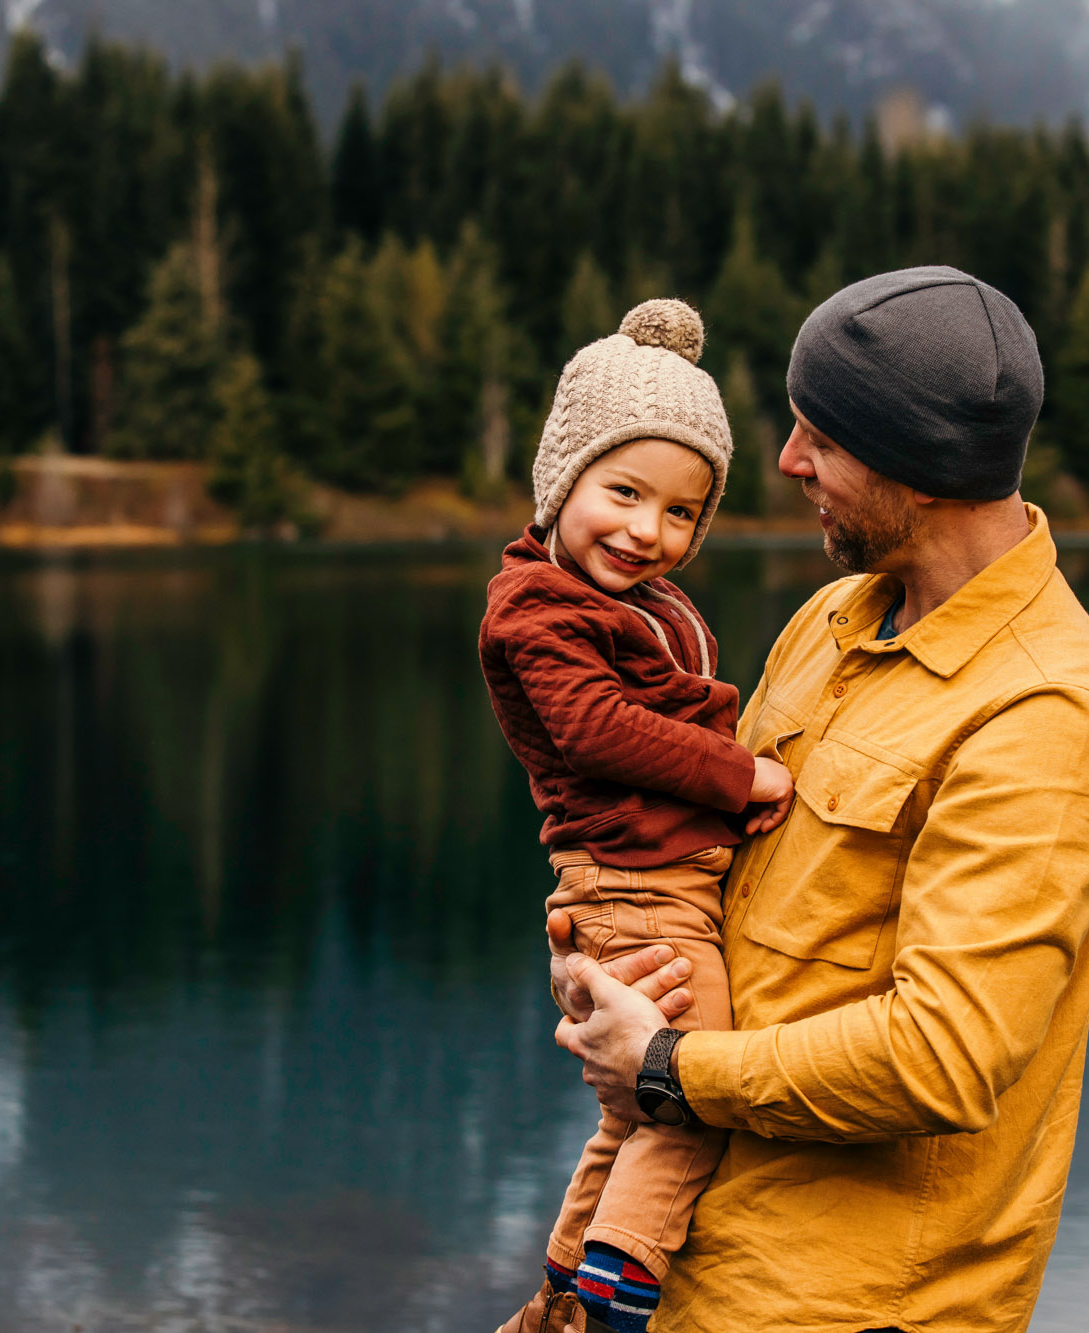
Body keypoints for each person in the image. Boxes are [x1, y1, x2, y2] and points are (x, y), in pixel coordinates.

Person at [547, 267, 1089, 1333]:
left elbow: (942, 1056)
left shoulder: (1045, 712)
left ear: (915, 464)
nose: (784, 463)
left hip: (843, 1307)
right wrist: (604, 948)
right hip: (684, 1274)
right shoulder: (829, 621)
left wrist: (664, 1065)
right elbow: (712, 869)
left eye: (817, 436)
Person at [480, 298, 797, 1333]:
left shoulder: (620, 600)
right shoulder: (537, 608)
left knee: (631, 1110)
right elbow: (595, 730)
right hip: (634, 894)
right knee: (688, 1099)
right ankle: (619, 1301)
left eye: (678, 514)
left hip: (650, 883)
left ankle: (560, 1297)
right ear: (562, 479)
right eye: (623, 492)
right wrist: (736, 776)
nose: (645, 532)